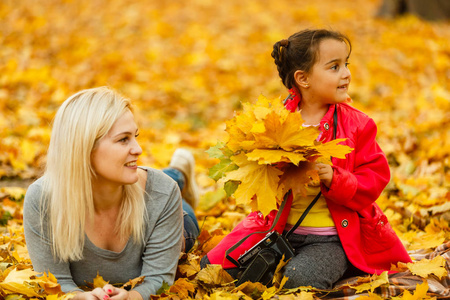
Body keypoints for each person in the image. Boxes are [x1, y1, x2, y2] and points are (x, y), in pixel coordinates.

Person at [201, 29, 412, 289]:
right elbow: (256, 171)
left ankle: (342, 263)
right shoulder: (275, 119)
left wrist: (335, 177)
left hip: (332, 238)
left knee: (298, 280)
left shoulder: (357, 124)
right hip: (277, 229)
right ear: (303, 78)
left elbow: (375, 177)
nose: (346, 73)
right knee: (214, 267)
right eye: (334, 67)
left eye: (346, 64)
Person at [23, 87, 199, 300]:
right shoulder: (41, 199)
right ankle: (177, 170)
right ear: (84, 149)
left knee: (167, 186)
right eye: (123, 139)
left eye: (135, 136)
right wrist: (82, 298)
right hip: (136, 181)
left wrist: (130, 297)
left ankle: (178, 172)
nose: (138, 149)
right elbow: (55, 283)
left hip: (177, 216)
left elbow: (158, 279)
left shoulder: (162, 194)